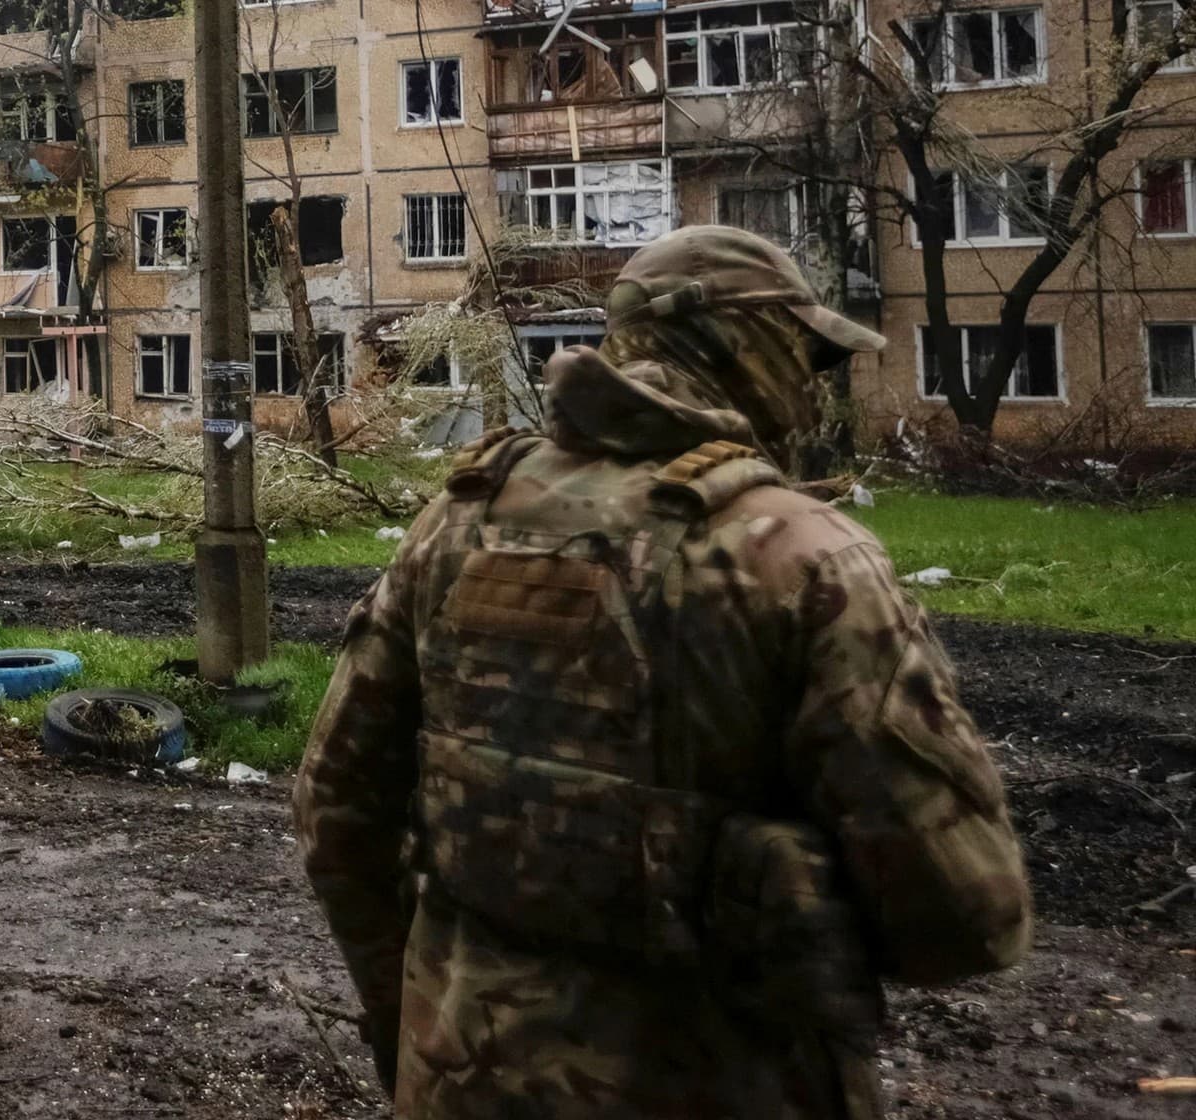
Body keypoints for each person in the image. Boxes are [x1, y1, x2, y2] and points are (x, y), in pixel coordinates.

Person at [293, 226, 1031, 1119]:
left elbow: (336, 810)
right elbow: (969, 917)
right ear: (745, 348)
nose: (813, 388)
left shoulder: (457, 525)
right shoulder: (805, 557)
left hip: (459, 1075)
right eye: (806, 355)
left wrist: (402, 1020)